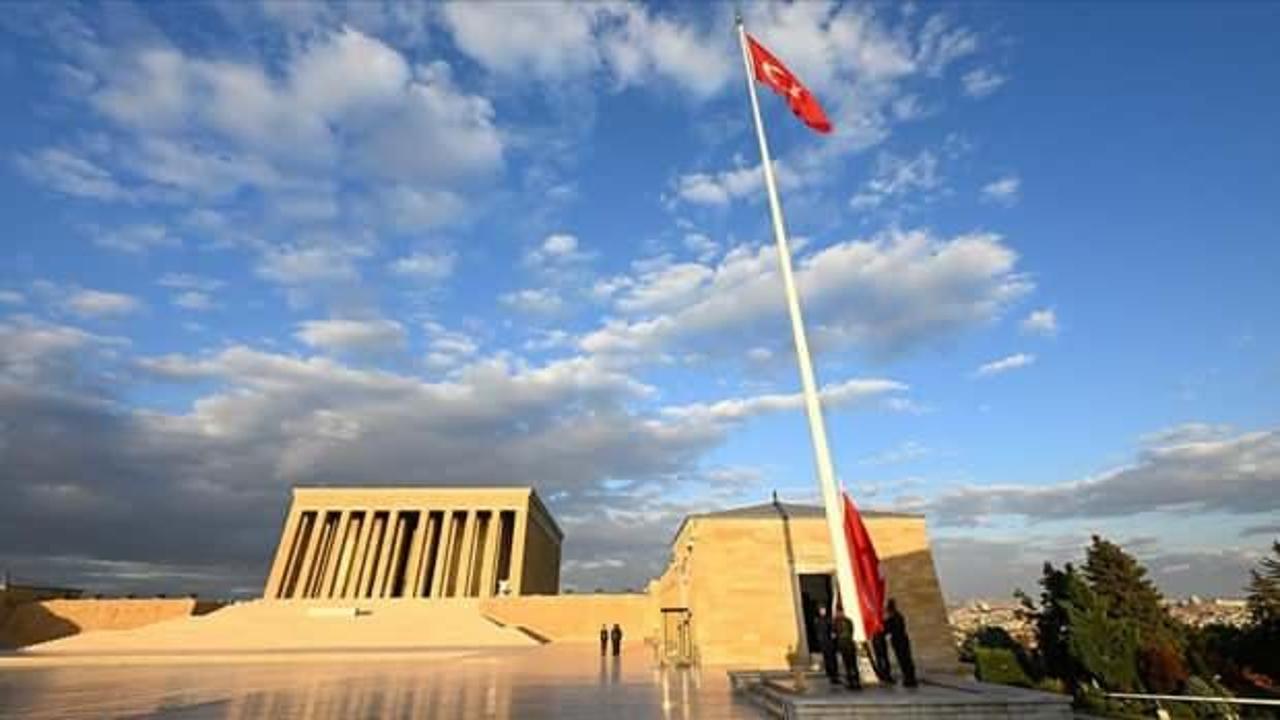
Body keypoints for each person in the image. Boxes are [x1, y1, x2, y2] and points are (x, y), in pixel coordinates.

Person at [884, 598, 917, 688]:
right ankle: (910, 678)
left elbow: (887, 629)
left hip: (898, 641)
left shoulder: (894, 617)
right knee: (907, 659)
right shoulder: (898, 616)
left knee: (903, 660)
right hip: (903, 639)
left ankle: (909, 679)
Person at [832, 607, 862, 690]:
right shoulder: (848, 621)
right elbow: (852, 630)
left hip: (844, 644)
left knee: (849, 664)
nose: (838, 614)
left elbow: (834, 633)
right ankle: (855, 681)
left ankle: (853, 681)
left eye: (839, 612)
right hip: (848, 644)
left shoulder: (837, 622)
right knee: (852, 664)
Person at [813, 605, 839, 685]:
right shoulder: (817, 620)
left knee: (832, 658)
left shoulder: (828, 619)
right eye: (821, 610)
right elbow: (818, 632)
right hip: (824, 642)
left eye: (824, 610)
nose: (823, 611)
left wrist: (833, 633)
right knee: (828, 658)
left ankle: (834, 674)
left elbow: (833, 629)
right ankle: (831, 675)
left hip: (829, 642)